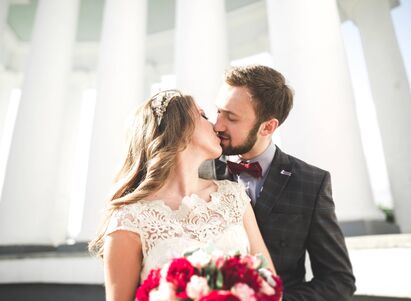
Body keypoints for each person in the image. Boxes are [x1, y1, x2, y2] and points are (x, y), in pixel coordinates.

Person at [89, 90, 275, 301]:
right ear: (179, 128)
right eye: (203, 116)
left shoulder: (233, 196)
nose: (215, 125)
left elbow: (269, 283)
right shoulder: (129, 220)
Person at [205, 65, 356, 300]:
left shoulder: (312, 183)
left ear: (268, 126)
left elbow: (338, 281)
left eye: (231, 117)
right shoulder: (201, 170)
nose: (218, 125)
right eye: (218, 112)